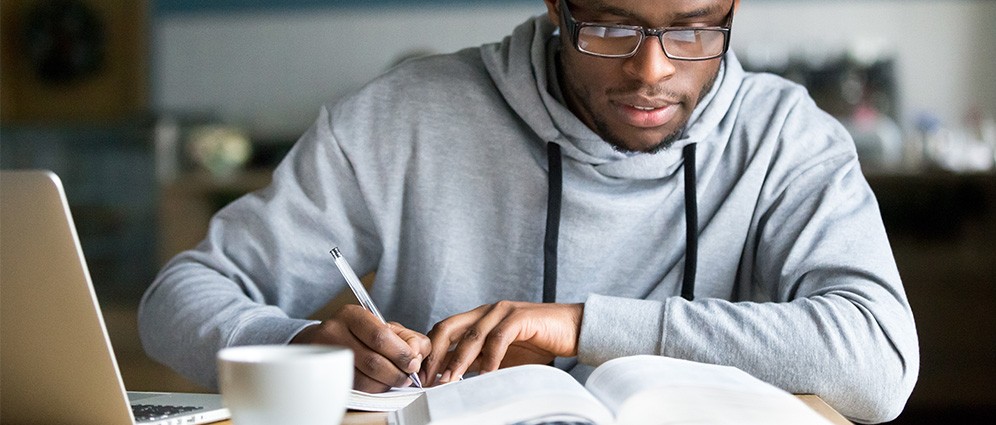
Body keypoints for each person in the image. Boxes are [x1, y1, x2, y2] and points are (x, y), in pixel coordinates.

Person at [139, 0, 919, 422]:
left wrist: (579, 324)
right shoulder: (402, 116)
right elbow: (181, 296)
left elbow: (879, 360)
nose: (652, 70)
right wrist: (299, 345)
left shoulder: (786, 135)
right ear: (557, 6)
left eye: (691, 29)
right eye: (611, 26)